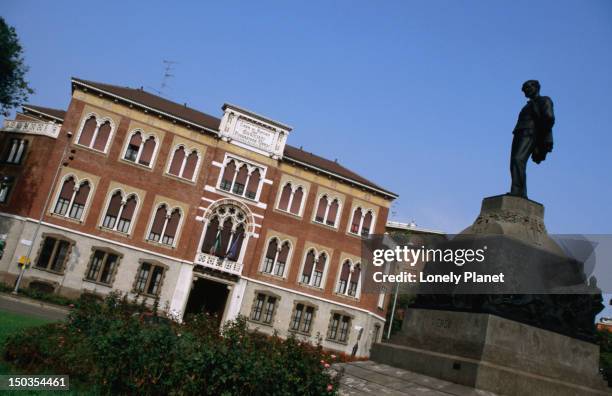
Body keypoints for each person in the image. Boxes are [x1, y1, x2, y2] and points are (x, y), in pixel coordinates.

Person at [509, 80, 555, 198]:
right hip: (519, 133)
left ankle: (517, 191)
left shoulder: (544, 100)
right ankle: (518, 191)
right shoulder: (527, 105)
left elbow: (549, 118)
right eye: (524, 90)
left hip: (530, 133)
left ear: (536, 87)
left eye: (528, 88)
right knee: (514, 162)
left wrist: (542, 137)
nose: (526, 91)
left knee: (518, 159)